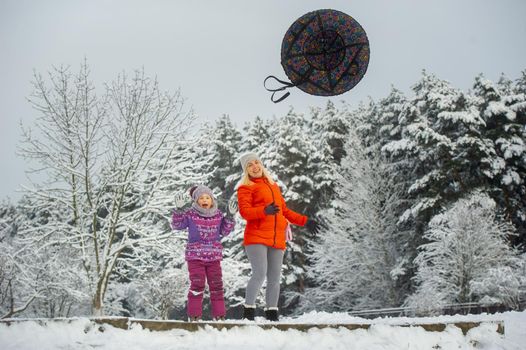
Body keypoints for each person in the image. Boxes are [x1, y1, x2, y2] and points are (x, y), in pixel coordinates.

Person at [236, 152, 319, 321]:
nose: (254, 166)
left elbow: (285, 211)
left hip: (277, 238)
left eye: (256, 162)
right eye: (249, 165)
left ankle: (272, 314)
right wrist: (263, 211)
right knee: (259, 273)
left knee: (274, 277)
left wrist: (306, 221)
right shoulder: (245, 188)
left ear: (261, 164)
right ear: (246, 170)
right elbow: (245, 212)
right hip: (256, 237)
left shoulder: (273, 186)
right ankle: (248, 312)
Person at [171, 185, 235, 321]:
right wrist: (179, 210)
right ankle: (194, 315)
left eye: (207, 197)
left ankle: (219, 315)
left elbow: (225, 231)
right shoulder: (190, 214)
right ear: (196, 201)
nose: (204, 200)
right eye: (201, 198)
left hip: (214, 257)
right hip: (195, 256)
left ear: (212, 200)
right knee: (197, 283)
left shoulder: (218, 215)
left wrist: (229, 216)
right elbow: (177, 225)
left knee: (217, 284)